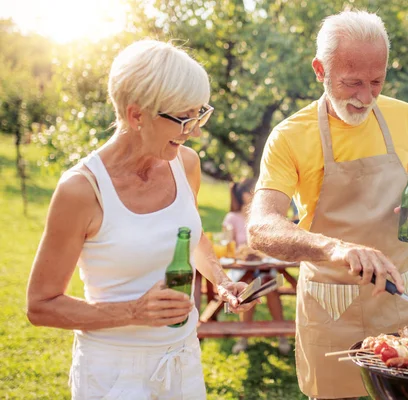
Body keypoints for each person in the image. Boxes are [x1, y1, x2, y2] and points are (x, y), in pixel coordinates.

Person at [26, 40, 255, 399]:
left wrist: (223, 281)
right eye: (184, 118)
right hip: (113, 373)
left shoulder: (185, 163)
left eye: (200, 114)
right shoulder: (82, 190)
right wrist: (134, 311)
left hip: (182, 360)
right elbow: (40, 305)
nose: (195, 130)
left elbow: (189, 236)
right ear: (136, 116)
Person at [246, 10, 408, 400]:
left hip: (402, 294)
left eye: (376, 81)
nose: (366, 97)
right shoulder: (290, 136)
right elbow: (261, 227)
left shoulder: (403, 116)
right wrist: (335, 248)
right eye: (352, 83)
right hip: (331, 302)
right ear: (320, 69)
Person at [222, 178, 291, 355]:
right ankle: (244, 337)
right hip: (242, 268)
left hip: (264, 265)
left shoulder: (262, 218)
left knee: (270, 286)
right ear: (246, 196)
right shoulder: (233, 218)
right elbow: (227, 246)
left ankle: (281, 335)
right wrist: (243, 251)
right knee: (249, 290)